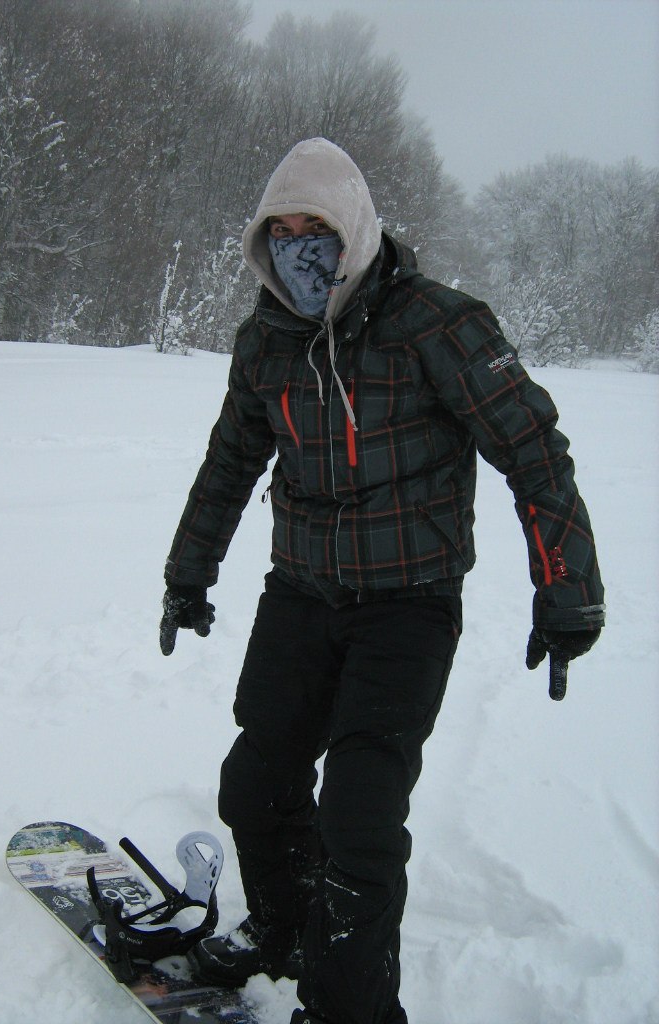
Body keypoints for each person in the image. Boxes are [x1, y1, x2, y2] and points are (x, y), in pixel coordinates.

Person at [159, 138, 604, 1024]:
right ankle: (283, 927)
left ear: (355, 230)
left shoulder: (439, 324)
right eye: (279, 233)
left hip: (407, 607)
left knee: (358, 819)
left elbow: (534, 455)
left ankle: (348, 1008)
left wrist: (567, 588)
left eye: (315, 230)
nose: (298, 249)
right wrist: (188, 573)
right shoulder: (267, 341)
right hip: (301, 594)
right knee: (255, 784)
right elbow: (228, 465)